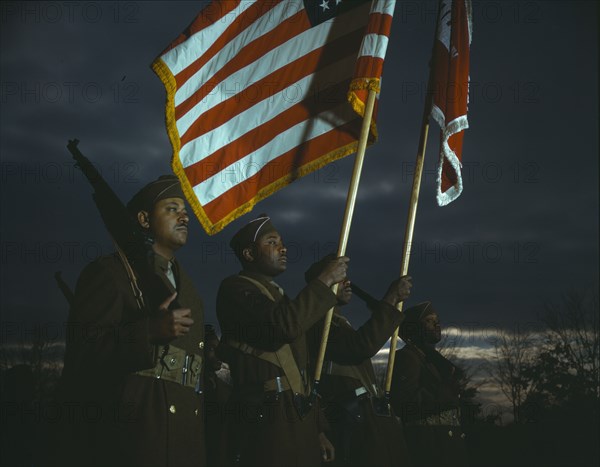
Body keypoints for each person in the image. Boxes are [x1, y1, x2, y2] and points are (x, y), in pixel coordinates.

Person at [57, 175, 206, 466]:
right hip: (137, 437)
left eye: (185, 210)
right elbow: (83, 352)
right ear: (143, 219)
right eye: (172, 208)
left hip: (187, 439)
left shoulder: (191, 292)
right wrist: (148, 331)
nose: (184, 216)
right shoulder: (110, 273)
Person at [216, 214, 347, 466]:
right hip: (267, 417)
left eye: (282, 242)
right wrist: (325, 281)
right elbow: (282, 328)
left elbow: (300, 371)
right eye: (272, 242)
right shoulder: (235, 288)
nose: (283, 248)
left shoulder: (278, 296)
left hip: (296, 417)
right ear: (249, 254)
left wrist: (317, 429)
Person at [305, 256, 413, 466]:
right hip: (350, 422)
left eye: (346, 278)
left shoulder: (339, 322)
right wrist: (390, 299)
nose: (347, 283)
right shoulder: (319, 323)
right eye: (339, 278)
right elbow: (360, 347)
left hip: (365, 420)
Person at [390, 302, 468, 467]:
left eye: (437, 320)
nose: (436, 324)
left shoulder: (430, 359)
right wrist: (445, 393)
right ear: (414, 327)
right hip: (428, 446)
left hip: (446, 446)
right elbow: (404, 403)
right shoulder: (408, 357)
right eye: (429, 320)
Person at [203, 324, 232, 467]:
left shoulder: (224, 385)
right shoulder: (203, 387)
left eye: (219, 349)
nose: (218, 355)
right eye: (211, 349)